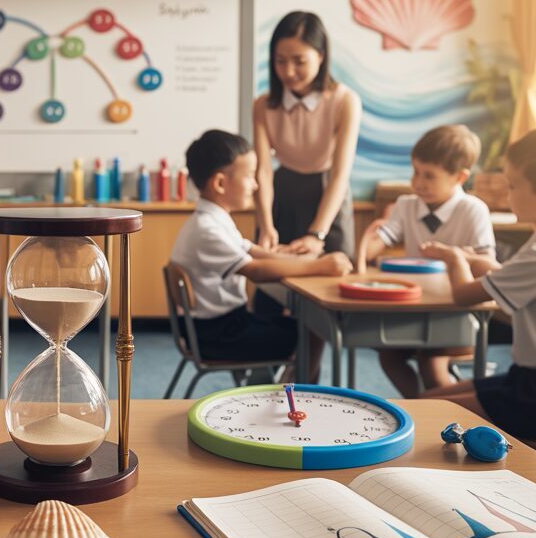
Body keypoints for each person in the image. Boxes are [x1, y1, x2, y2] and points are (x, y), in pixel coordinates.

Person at [170, 130, 352, 378]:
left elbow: (254, 251)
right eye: (249, 177)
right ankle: (293, 395)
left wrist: (302, 258)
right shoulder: (207, 229)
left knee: (298, 326)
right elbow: (256, 270)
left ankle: (279, 392)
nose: (256, 185)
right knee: (311, 331)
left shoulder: (213, 219)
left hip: (219, 326)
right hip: (218, 334)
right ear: (221, 183)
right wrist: (319, 267)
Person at [357, 125, 495, 396]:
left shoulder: (473, 209)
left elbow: (486, 262)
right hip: (410, 313)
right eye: (415, 172)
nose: (418, 183)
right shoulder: (406, 205)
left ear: (460, 177)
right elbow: (379, 240)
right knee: (389, 358)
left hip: (455, 315)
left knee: (431, 365)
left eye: (429, 176)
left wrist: (456, 256)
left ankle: (452, 414)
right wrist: (366, 245)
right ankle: (421, 407)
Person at [420, 130, 536, 440]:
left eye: (512, 186)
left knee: (424, 412)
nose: (508, 195)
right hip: (521, 377)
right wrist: (486, 265)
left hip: (530, 391)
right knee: (425, 402)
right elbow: (514, 278)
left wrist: (454, 257)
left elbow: (463, 295)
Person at [253, 11, 362, 263]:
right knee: (270, 289)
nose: (289, 71)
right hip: (282, 195)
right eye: (280, 61)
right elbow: (264, 172)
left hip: (329, 196)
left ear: (321, 57)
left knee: (333, 281)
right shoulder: (263, 105)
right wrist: (266, 225)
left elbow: (339, 175)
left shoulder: (345, 101)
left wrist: (317, 233)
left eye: (299, 61)